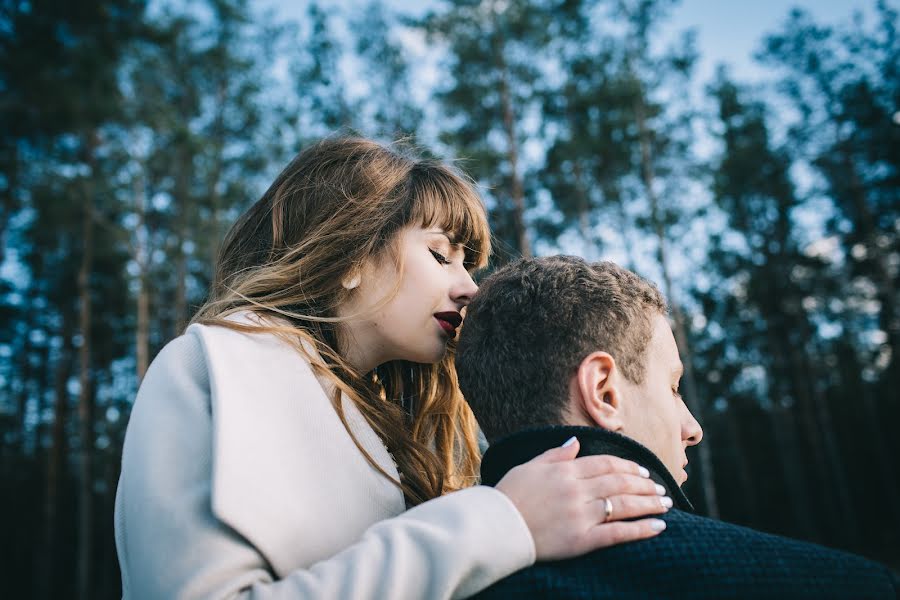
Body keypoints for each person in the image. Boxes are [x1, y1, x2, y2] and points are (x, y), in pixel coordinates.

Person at [113, 139, 671, 599]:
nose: (468, 287)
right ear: (351, 256)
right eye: (439, 254)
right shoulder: (211, 365)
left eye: (469, 264)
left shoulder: (403, 433)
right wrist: (502, 521)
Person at [455, 256, 900, 599]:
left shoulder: (420, 582)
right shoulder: (846, 587)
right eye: (672, 387)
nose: (693, 428)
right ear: (604, 392)